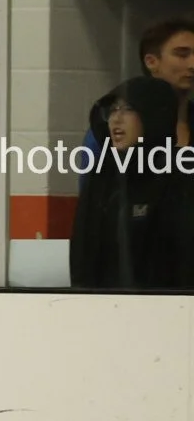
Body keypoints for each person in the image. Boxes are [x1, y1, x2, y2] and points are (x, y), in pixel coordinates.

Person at [70, 76, 194, 289]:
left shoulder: (181, 171)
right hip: (102, 303)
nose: (116, 119)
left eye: (128, 109)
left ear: (153, 114)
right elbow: (82, 257)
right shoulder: (102, 173)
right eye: (112, 110)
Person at [81, 17, 194, 174]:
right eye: (182, 55)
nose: (192, 64)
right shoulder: (112, 128)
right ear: (151, 62)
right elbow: (95, 185)